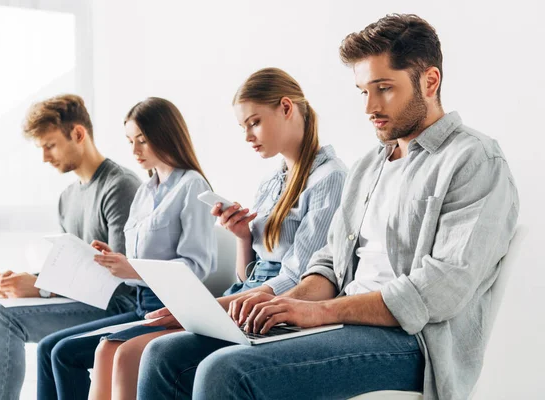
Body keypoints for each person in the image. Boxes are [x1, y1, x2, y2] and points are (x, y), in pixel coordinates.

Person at [137, 14, 519, 400]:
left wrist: (321, 313)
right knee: (164, 354)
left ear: (430, 81)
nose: (370, 106)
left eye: (384, 88)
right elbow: (329, 262)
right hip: (342, 322)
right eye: (362, 91)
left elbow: (442, 289)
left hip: (412, 344)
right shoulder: (370, 164)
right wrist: (280, 302)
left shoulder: (474, 160)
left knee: (227, 372)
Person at [88, 67, 347, 400]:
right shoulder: (272, 182)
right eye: (243, 127)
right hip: (246, 297)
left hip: (274, 309)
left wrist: (213, 305)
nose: (248, 136)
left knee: (135, 352)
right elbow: (247, 276)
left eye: (254, 122)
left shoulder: (330, 178)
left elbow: (299, 278)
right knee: (118, 348)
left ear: (286, 108)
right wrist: (242, 237)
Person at [0, 94, 142, 400]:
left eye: (49, 146)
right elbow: (70, 268)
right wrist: (24, 282)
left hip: (116, 307)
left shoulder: (119, 187)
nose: (45, 157)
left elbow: (121, 283)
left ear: (78, 134)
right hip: (79, 301)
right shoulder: (68, 197)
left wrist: (40, 288)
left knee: (3, 317)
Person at [36, 97, 217, 400]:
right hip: (140, 306)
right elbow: (138, 259)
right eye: (130, 141)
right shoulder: (146, 191)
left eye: (143, 141)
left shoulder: (192, 186)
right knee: (55, 349)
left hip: (171, 309)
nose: (134, 151)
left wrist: (133, 268)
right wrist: (114, 259)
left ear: (166, 135)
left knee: (73, 353)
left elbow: (198, 267)